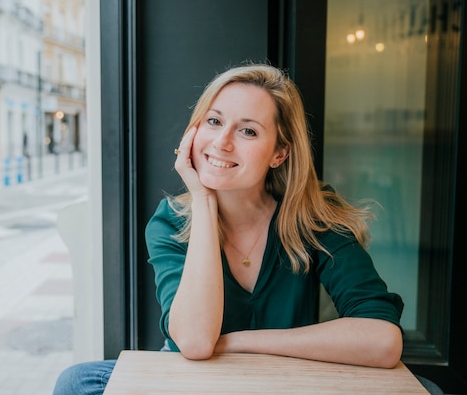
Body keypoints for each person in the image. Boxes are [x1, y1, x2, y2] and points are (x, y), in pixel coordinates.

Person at [52, 63, 407, 395]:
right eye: (214, 121)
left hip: (282, 379)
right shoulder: (170, 222)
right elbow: (194, 343)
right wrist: (204, 202)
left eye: (248, 130)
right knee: (78, 382)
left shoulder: (312, 215)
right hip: (194, 381)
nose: (222, 142)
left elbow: (382, 339)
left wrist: (238, 342)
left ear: (279, 154)